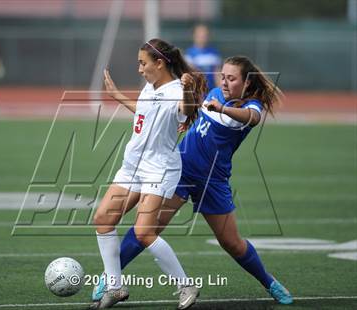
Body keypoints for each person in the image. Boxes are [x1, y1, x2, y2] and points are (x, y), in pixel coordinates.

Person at [93, 56, 293, 306]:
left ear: (247, 83)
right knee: (147, 229)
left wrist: (222, 109)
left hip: (213, 181)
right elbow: (191, 112)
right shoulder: (215, 93)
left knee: (231, 243)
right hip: (181, 170)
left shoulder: (252, 106)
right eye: (223, 76)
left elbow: (250, 118)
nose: (224, 82)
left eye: (231, 78)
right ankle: (110, 278)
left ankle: (269, 282)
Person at [91, 38, 207, 309]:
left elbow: (185, 110)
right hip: (133, 165)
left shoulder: (178, 90)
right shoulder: (150, 86)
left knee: (144, 232)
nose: (140, 69)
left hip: (160, 167)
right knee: (102, 219)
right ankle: (115, 287)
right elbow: (143, 114)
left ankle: (185, 285)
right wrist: (118, 96)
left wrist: (189, 90)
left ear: (160, 63)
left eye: (143, 63)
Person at [185, 24, 222, 91]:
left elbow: (217, 74)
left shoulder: (214, 52)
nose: (202, 37)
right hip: (198, 91)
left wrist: (219, 90)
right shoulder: (189, 53)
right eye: (200, 35)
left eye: (205, 35)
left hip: (212, 90)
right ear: (194, 36)